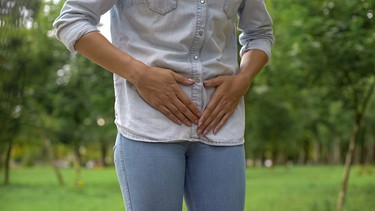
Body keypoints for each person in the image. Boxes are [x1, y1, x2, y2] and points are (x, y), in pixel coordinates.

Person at [54, 0, 274, 210]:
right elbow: (72, 19)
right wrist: (139, 74)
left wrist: (243, 79)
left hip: (222, 127)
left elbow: (260, 34)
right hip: (148, 127)